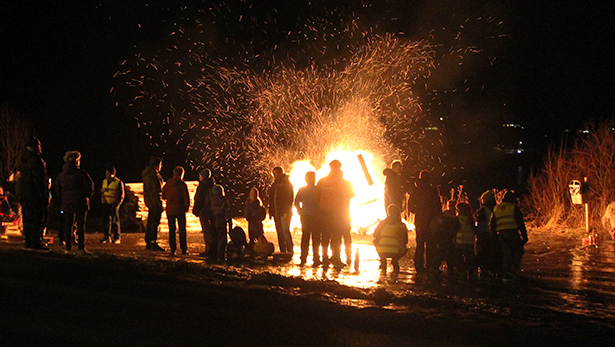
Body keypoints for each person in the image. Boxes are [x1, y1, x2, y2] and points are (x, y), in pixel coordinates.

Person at [317, 160, 355, 268]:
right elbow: (351, 194)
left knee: (325, 237)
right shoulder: (345, 183)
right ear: (339, 167)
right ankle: (336, 258)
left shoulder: (322, 181)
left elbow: (317, 195)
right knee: (337, 236)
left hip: (324, 213)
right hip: (340, 213)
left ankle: (324, 258)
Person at [55, 151, 94, 254]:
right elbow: (89, 186)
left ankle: (68, 246)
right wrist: (87, 196)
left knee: (68, 224)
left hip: (66, 202)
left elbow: (57, 190)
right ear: (76, 161)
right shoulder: (81, 173)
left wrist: (62, 199)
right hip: (80, 201)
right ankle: (81, 247)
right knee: (81, 224)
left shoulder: (61, 175)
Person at [16, 137, 49, 250]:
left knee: (28, 219)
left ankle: (28, 241)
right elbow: (38, 180)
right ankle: (36, 242)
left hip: (25, 195)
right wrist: (43, 196)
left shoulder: (24, 162)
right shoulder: (36, 161)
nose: (40, 148)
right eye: (39, 145)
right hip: (35, 196)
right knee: (37, 219)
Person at [407, 170, 441, 274]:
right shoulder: (433, 191)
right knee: (431, 243)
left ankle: (419, 266)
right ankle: (430, 265)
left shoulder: (416, 191)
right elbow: (438, 205)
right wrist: (438, 216)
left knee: (420, 244)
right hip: (431, 221)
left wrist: (418, 211)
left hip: (420, 220)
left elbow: (411, 207)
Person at [490, 190, 529, 279]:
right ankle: (512, 269)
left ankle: (506, 271)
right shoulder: (513, 207)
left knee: (507, 252)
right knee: (519, 251)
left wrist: (493, 236)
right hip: (512, 233)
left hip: (501, 234)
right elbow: (520, 223)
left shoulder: (496, 208)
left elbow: (492, 224)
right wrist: (524, 236)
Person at [162, 166, 190, 256]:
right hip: (180, 209)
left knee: (172, 230)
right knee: (182, 229)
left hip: (170, 210)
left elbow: (163, 196)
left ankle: (172, 249)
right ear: (181, 174)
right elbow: (186, 197)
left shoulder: (168, 183)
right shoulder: (182, 184)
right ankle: (184, 249)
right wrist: (186, 207)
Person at [294, 171, 321, 266]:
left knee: (306, 237)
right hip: (315, 216)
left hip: (306, 216)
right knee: (316, 238)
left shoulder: (302, 190)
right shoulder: (318, 189)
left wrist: (300, 211)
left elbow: (296, 202)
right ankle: (316, 259)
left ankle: (304, 258)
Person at [373, 204, 409, 274]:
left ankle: (383, 261)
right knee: (406, 248)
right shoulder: (402, 225)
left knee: (375, 241)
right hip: (396, 251)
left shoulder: (382, 223)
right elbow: (406, 241)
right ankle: (395, 260)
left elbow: (375, 235)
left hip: (382, 250)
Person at [267, 167, 294, 254]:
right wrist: (271, 211)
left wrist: (286, 211)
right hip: (276, 212)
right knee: (279, 232)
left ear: (281, 173)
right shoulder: (275, 184)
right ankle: (283, 251)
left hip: (284, 213)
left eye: (277, 173)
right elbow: (271, 199)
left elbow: (290, 199)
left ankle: (290, 250)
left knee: (285, 231)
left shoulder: (286, 184)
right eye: (274, 174)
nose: (275, 175)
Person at [142, 157, 165, 251]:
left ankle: (148, 241)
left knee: (150, 221)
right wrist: (160, 202)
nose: (161, 166)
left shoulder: (146, 174)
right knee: (154, 222)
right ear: (157, 165)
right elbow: (156, 190)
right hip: (154, 201)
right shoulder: (154, 175)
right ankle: (153, 242)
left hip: (149, 201)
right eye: (160, 164)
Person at [474, 190, 499, 276]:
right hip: (493, 233)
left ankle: (480, 267)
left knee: (482, 251)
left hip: (483, 233)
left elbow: (480, 222)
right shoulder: (496, 208)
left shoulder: (483, 209)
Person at [193, 168, 215, 257]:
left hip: (204, 211)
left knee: (206, 231)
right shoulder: (213, 185)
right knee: (212, 230)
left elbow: (199, 199)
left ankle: (208, 249)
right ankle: (213, 249)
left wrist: (196, 210)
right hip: (212, 211)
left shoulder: (202, 186)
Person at [99, 166, 125, 244]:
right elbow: (102, 191)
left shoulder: (118, 182)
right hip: (105, 203)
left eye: (108, 173)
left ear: (112, 174)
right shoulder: (104, 181)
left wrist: (117, 204)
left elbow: (121, 195)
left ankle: (117, 237)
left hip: (114, 204)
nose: (106, 175)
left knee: (115, 221)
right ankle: (107, 237)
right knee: (106, 221)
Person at [454, 202, 477, 281]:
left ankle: (462, 271)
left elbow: (454, 229)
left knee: (459, 257)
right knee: (469, 256)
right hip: (470, 241)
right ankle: (471, 272)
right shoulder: (470, 219)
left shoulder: (457, 218)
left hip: (460, 240)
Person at [209, 184, 231, 263]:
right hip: (222, 220)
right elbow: (227, 211)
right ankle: (220, 256)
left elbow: (210, 210)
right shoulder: (224, 200)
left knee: (214, 238)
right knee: (222, 239)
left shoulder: (211, 199)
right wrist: (229, 221)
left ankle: (213, 256)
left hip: (214, 220)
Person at [243, 187, 266, 251]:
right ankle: (253, 250)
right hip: (252, 223)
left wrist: (259, 218)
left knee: (259, 237)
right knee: (253, 237)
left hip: (257, 222)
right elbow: (246, 213)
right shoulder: (249, 203)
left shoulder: (258, 203)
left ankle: (259, 249)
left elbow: (262, 212)